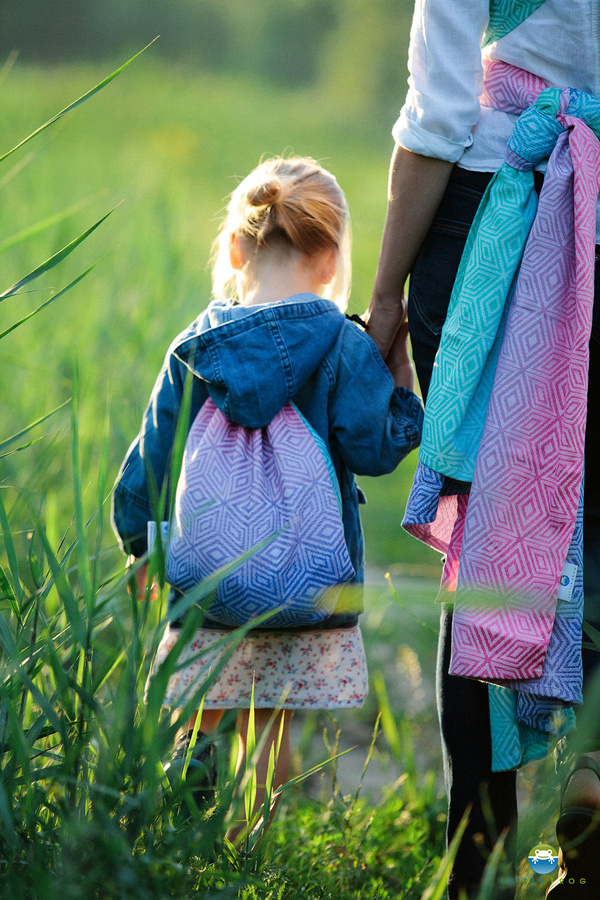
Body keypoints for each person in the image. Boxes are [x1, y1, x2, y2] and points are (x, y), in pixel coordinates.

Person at [111, 155, 424, 839]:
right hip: (303, 586)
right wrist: (395, 368)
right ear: (330, 258)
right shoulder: (342, 344)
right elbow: (376, 448)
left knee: (199, 697)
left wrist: (140, 542)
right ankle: (256, 844)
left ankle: (187, 771)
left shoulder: (198, 345)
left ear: (234, 247)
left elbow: (153, 461)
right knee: (271, 721)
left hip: (210, 573)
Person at [367, 2, 600, 898]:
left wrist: (385, 298)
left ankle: (479, 864)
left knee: (493, 544)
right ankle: (584, 802)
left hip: (493, 215)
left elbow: (439, 115)